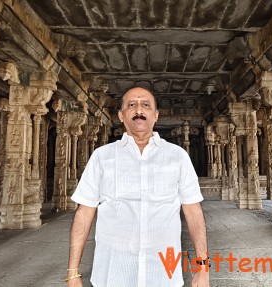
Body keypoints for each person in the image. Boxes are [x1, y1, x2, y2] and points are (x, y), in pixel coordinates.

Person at [67, 87, 209, 287]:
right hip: (113, 273)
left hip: (163, 275)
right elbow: (85, 212)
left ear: (156, 115)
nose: (139, 110)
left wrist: (203, 269)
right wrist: (73, 273)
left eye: (146, 105)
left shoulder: (177, 156)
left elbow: (193, 212)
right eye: (131, 105)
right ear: (121, 115)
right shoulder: (102, 156)